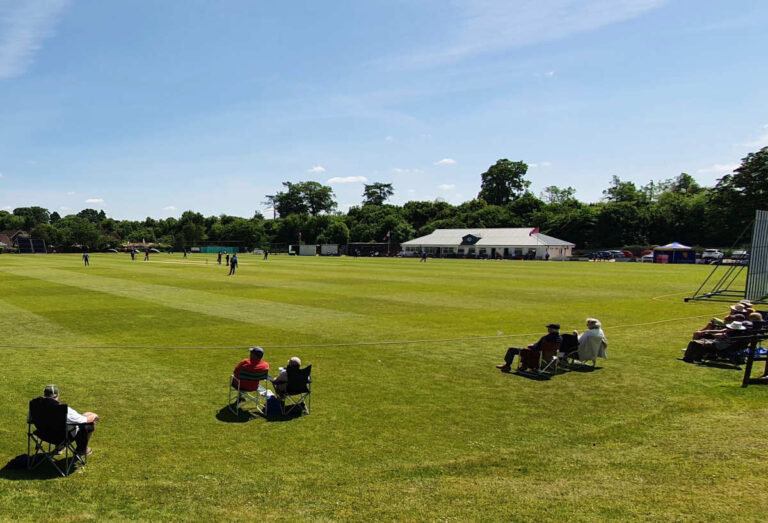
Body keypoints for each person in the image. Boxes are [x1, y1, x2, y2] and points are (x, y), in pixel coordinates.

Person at [32, 384, 99, 457]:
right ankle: (81, 450)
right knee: (89, 425)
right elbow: (84, 420)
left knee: (57, 425)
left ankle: (59, 448)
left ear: (44, 395)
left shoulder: (35, 407)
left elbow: (29, 420)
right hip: (61, 438)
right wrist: (93, 415)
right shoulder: (63, 410)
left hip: (43, 434)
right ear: (58, 395)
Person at [497, 323, 563, 372]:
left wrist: (532, 345)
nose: (548, 329)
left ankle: (507, 366)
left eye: (549, 328)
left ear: (552, 330)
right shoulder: (560, 338)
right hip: (549, 355)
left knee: (511, 349)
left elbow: (537, 347)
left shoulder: (546, 338)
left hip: (536, 353)